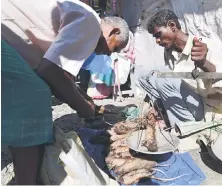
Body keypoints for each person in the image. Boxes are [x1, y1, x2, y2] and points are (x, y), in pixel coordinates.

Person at [1, 0, 129, 184]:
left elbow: (61, 76)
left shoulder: (83, 19)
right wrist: (85, 110)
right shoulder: (91, 23)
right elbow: (50, 72)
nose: (108, 55)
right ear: (114, 31)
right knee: (35, 96)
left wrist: (86, 100)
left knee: (28, 95)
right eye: (115, 48)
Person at [139, 9, 222, 128]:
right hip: (185, 103)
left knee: (163, 78)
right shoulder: (169, 53)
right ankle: (167, 112)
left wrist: (204, 63)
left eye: (158, 35)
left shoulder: (203, 45)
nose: (157, 41)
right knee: (144, 75)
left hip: (206, 108)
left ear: (172, 25)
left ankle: (186, 128)